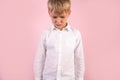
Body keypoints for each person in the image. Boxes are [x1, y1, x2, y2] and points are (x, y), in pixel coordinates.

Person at [34, 0, 85, 80]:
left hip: (68, 78)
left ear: (68, 13)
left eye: (62, 17)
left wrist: (80, 78)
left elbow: (79, 60)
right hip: (48, 77)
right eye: (54, 17)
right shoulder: (46, 34)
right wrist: (37, 78)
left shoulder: (75, 34)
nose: (58, 21)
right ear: (49, 12)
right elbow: (40, 58)